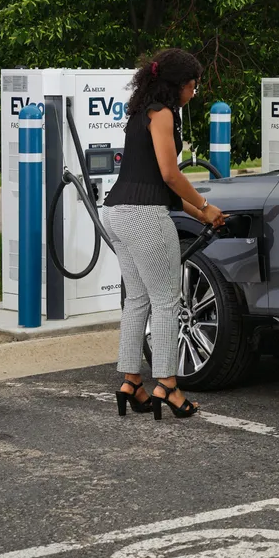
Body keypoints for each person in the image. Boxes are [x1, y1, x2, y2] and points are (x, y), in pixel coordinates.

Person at [101, 48, 226, 420]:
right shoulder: (163, 115)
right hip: (144, 218)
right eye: (193, 86)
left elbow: (161, 187)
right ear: (178, 86)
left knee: (137, 300)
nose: (194, 93)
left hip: (116, 212)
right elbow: (172, 175)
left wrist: (204, 214)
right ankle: (168, 387)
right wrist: (205, 203)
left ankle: (131, 384)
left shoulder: (139, 113)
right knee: (168, 302)